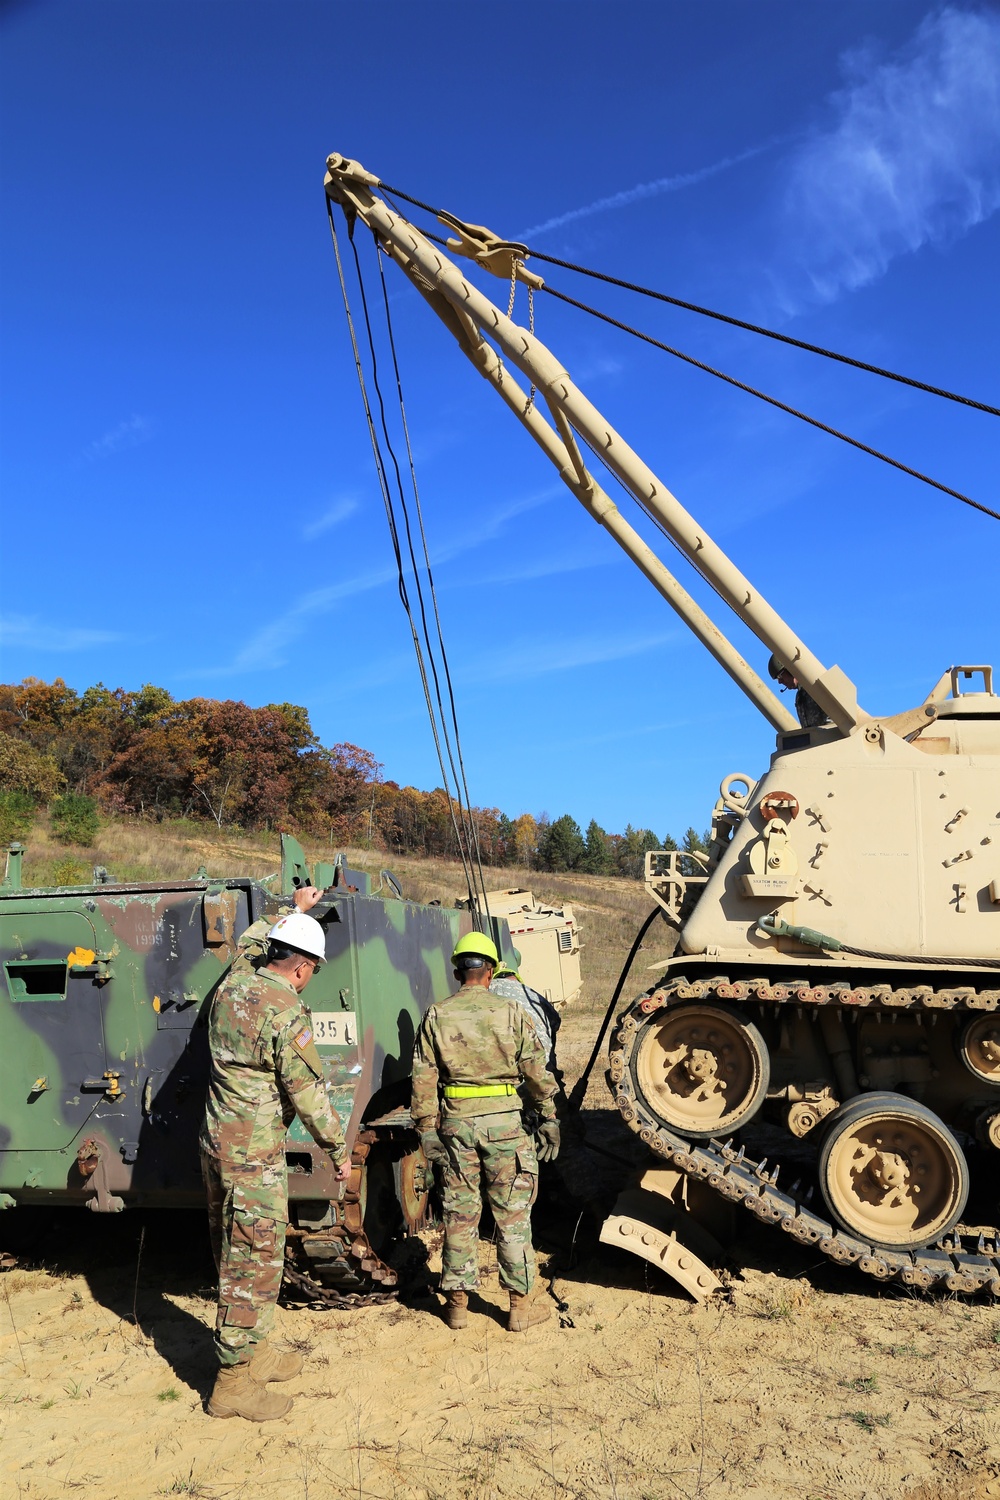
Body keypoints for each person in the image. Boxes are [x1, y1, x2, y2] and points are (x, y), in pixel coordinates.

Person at [199, 910, 352, 1422]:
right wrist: (339, 1151)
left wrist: (294, 909)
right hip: (254, 1159)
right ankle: (233, 1384)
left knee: (233, 1250)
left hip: (218, 1145)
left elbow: (246, 946)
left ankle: (255, 1350)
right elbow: (308, 1096)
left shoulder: (231, 987)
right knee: (253, 1264)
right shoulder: (286, 1010)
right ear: (304, 968)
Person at [411, 932, 559, 1333]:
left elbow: (423, 1078)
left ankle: (457, 1306)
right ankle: (518, 1309)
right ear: (491, 971)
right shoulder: (512, 1012)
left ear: (457, 971)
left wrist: (427, 1130)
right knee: (512, 1216)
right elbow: (535, 1071)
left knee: (459, 1214)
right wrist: (549, 1117)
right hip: (505, 1126)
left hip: (456, 1125)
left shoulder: (437, 1015)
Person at [490, 948, 565, 1098]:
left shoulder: (487, 992)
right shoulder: (529, 993)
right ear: (516, 977)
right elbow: (555, 1022)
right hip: (542, 1074)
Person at [767, 653, 828, 729]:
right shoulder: (800, 696)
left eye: (780, 676)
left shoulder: (818, 688)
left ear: (790, 670)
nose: (779, 681)